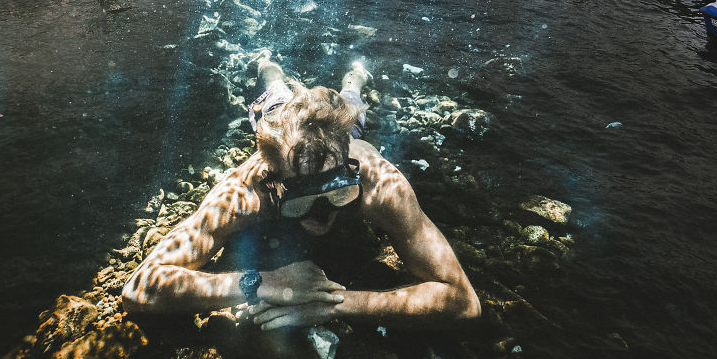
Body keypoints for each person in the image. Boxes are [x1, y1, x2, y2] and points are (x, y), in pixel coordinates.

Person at [121, 57, 481, 327]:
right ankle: (270, 69)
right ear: (273, 183)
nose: (322, 215)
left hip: (345, 135)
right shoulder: (245, 192)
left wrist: (336, 303)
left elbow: (463, 300)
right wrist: (261, 283)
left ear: (348, 171)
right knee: (274, 101)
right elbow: (141, 286)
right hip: (280, 124)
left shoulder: (377, 183)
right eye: (302, 201)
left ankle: (354, 78)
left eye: (337, 192)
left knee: (352, 112)